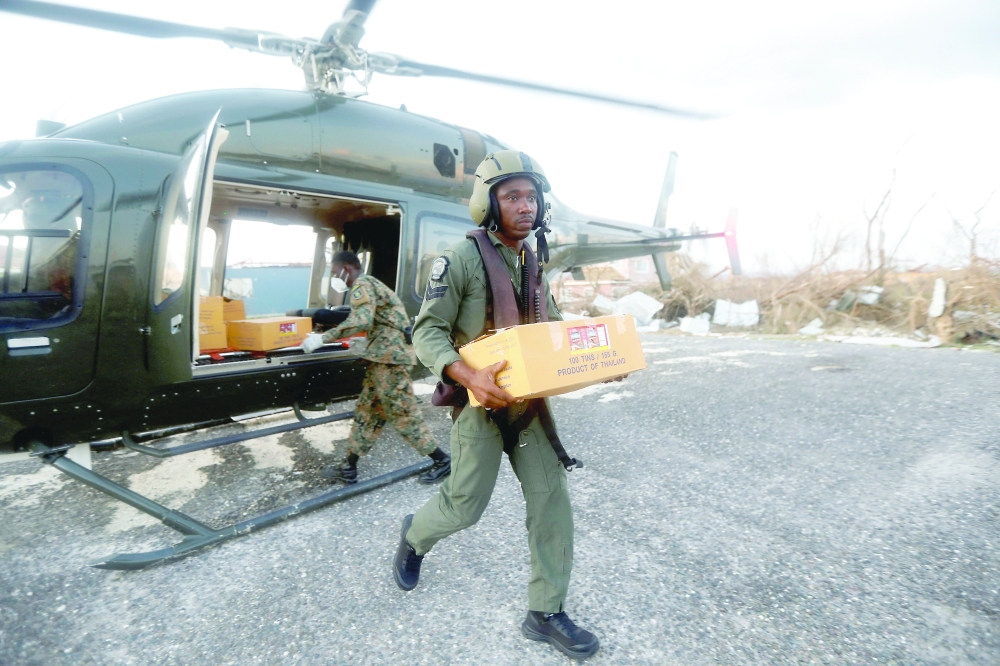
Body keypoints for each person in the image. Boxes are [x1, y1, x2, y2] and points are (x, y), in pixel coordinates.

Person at [392, 151, 601, 660]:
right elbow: (427, 331)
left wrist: (594, 359)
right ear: (487, 203)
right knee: (465, 505)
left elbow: (550, 331)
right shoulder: (460, 259)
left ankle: (545, 612)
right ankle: (415, 536)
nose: (525, 206)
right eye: (512, 196)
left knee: (553, 501)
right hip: (479, 406)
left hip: (528, 407)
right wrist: (465, 374)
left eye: (531, 196)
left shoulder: (534, 261)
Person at [302, 251, 451, 486]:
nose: (335, 277)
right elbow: (380, 321)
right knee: (367, 411)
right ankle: (349, 467)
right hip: (382, 359)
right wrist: (367, 342)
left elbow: (362, 319)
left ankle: (442, 461)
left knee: (402, 413)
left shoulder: (362, 284)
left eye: (334, 272)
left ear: (347, 268)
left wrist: (323, 338)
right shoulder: (371, 284)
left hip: (390, 361)